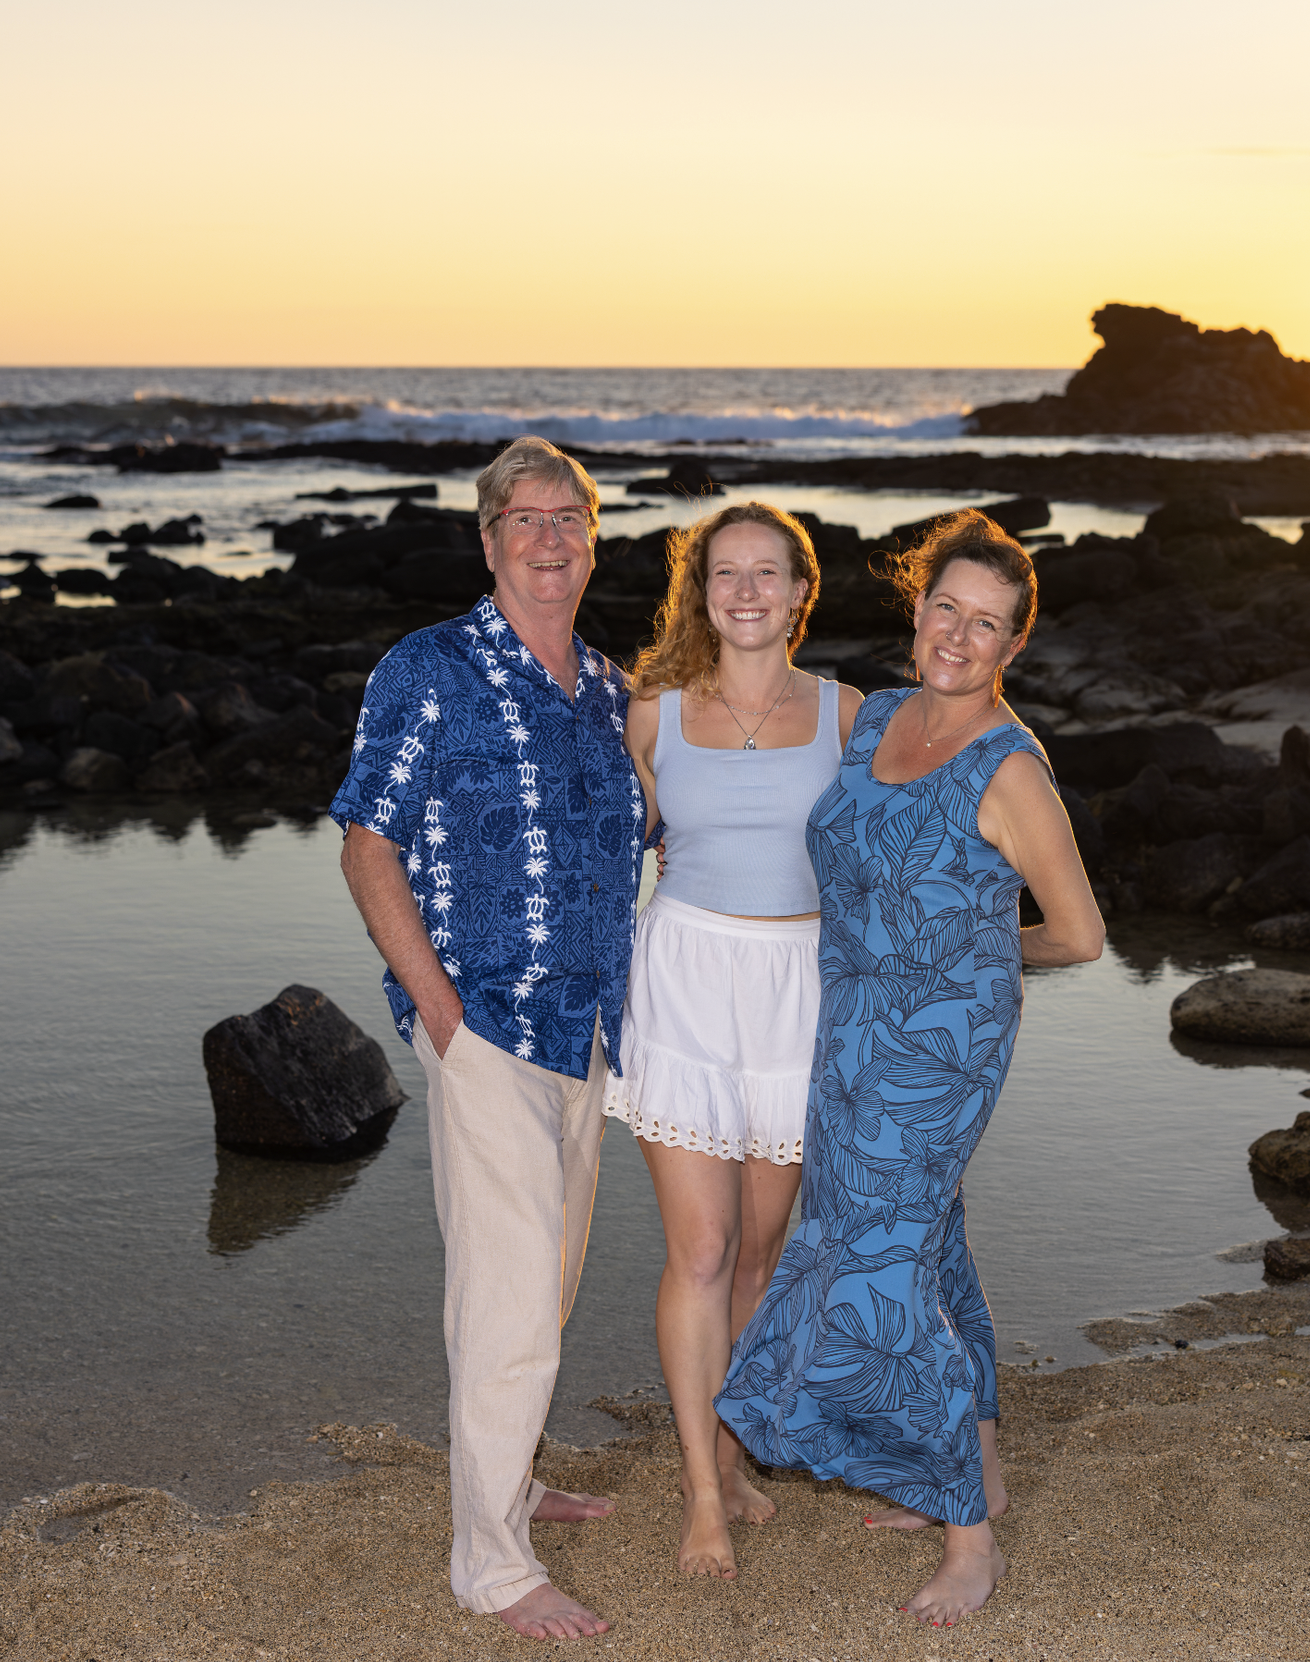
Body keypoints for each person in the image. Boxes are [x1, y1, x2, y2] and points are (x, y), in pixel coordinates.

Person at [714, 509, 1105, 1629]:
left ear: (1012, 646)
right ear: (916, 607)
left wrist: (967, 958)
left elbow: (1077, 935)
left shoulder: (1008, 768)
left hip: (937, 1048)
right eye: (946, 608)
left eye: (986, 625)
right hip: (845, 1029)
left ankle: (969, 1545)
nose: (958, 636)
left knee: (876, 1265)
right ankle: (966, 1471)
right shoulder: (875, 717)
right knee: (929, 1253)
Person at [330, 436, 642, 1641]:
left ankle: (508, 1480)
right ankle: (492, 1568)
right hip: (487, 1026)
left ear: (592, 537)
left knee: (544, 1281)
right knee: (507, 1293)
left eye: (570, 517)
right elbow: (368, 840)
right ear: (489, 538)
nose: (550, 538)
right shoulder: (432, 668)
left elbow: (653, 833)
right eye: (526, 519)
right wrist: (437, 1009)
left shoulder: (611, 689)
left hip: (586, 1029)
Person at [605, 502, 861, 1580]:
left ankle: (726, 1445)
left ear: (802, 591)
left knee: (759, 1253)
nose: (746, 592)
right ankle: (701, 1496)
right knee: (701, 1251)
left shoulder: (851, 714)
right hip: (688, 983)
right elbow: (621, 851)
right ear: (698, 592)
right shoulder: (652, 714)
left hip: (800, 991)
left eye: (768, 574)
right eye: (725, 575)